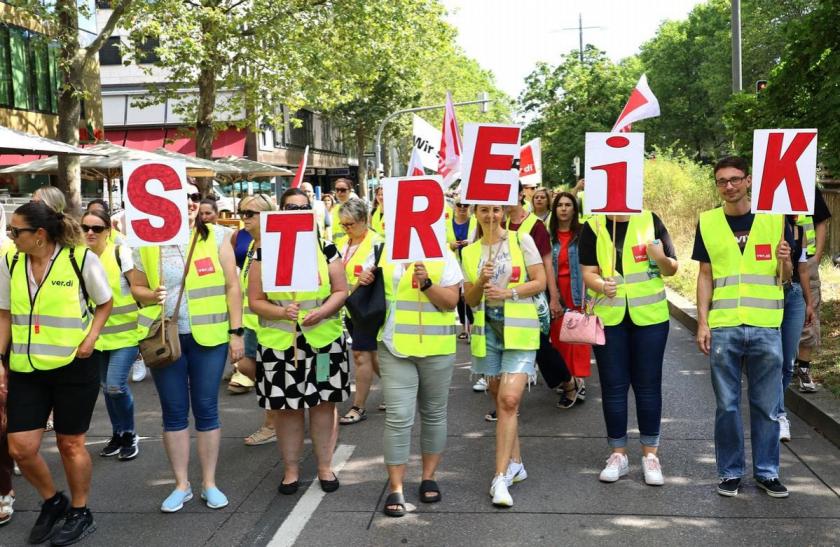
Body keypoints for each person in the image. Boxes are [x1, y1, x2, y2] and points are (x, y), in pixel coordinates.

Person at [1, 201, 113, 544]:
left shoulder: (80, 259)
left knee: (70, 443)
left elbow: (104, 302)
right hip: (26, 367)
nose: (10, 235)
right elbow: (4, 312)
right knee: (19, 447)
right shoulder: (11, 261)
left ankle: (80, 510)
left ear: (39, 234)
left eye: (15, 230)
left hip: (73, 365)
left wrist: (91, 338)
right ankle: (53, 501)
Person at [131, 183, 244, 512]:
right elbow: (137, 288)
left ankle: (209, 483)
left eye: (195, 197)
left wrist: (236, 332)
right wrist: (154, 295)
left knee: (207, 407)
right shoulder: (148, 243)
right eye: (185, 198)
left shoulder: (218, 236)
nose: (192, 203)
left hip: (208, 337)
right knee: (174, 411)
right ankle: (182, 484)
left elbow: (232, 286)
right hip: (166, 340)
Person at [694, 156, 793, 498]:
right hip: (724, 327)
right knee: (727, 406)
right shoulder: (707, 222)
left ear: (748, 180)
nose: (729, 186)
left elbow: (787, 278)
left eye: (735, 179)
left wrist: (786, 261)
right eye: (722, 181)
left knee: (767, 406)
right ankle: (730, 472)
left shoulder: (775, 220)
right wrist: (703, 322)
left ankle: (767, 472)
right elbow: (705, 275)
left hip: (766, 326)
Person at [248, 188, 349, 496]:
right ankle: (291, 470)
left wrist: (322, 311)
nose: (296, 213)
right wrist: (281, 310)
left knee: (321, 405)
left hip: (322, 345)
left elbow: (341, 290)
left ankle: (324, 466)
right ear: (279, 211)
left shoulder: (326, 248)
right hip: (280, 346)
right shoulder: (263, 254)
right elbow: (255, 300)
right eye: (290, 207)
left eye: (303, 208)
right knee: (287, 409)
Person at [355, 225, 461, 517]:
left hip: (437, 349)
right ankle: (396, 488)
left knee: (434, 414)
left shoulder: (443, 254)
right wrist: (364, 280)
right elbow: (366, 293)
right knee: (399, 417)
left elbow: (451, 302)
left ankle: (429, 477)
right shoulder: (382, 250)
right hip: (394, 347)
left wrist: (427, 283)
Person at [580, 204, 678, 486]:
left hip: (650, 319)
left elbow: (672, 268)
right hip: (610, 318)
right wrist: (600, 284)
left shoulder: (650, 219)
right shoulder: (594, 225)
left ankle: (650, 455)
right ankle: (618, 454)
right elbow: (588, 272)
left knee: (648, 385)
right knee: (613, 385)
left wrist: (659, 257)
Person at [463, 204, 545, 507]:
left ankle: (499, 478)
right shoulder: (470, 253)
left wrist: (509, 292)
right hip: (489, 336)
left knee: (509, 400)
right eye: (484, 210)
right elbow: (469, 299)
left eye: (496, 210)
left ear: (504, 212)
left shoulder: (521, 240)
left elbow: (540, 281)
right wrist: (483, 283)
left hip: (520, 331)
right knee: (499, 398)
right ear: (476, 214)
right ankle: (516, 464)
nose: (491, 216)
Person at [503, 184, 574, 411]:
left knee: (540, 345)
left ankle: (568, 382)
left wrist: (554, 298)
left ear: (521, 195)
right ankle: (504, 400)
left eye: (509, 193)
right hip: (502, 298)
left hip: (531, 296)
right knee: (503, 345)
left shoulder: (535, 226)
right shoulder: (497, 222)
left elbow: (547, 264)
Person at [81, 209, 142, 462]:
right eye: (85, 228)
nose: (90, 233)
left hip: (125, 335)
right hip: (96, 337)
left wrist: (155, 297)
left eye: (96, 228)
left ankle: (130, 433)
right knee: (107, 389)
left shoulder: (120, 252)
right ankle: (117, 434)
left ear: (108, 230)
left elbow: (139, 287)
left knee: (116, 385)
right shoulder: (78, 257)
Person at [232, 195, 278, 446]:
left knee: (266, 373)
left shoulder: (272, 244)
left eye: (250, 213)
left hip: (268, 322)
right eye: (242, 212)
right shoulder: (253, 244)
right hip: (252, 322)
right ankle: (279, 414)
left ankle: (272, 424)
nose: (244, 218)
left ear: (267, 215)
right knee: (250, 368)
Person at [337, 199, 384, 425]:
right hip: (350, 308)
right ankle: (397, 392)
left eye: (351, 224)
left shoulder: (377, 243)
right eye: (343, 225)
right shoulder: (342, 244)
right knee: (372, 355)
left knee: (360, 354)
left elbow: (369, 277)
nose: (346, 229)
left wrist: (345, 291)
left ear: (364, 220)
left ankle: (359, 406)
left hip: (367, 308)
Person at [548, 192, 592, 403]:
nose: (564, 208)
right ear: (554, 210)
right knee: (559, 339)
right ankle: (568, 378)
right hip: (556, 293)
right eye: (560, 205)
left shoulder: (584, 232)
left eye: (568, 205)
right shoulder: (549, 236)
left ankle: (579, 380)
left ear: (575, 209)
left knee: (578, 338)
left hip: (578, 292)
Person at [778, 215, 813, 442]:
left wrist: (809, 302)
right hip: (771, 295)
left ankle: (777, 410)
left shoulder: (800, 229)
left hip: (795, 296)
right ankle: (779, 414)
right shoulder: (764, 223)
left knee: (788, 361)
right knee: (772, 359)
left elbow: (803, 270)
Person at [795, 188, 831, 392]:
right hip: (777, 262)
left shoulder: (808, 187)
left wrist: (816, 257)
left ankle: (804, 368)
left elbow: (821, 222)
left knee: (810, 312)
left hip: (807, 261)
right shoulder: (770, 186)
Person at [446, 199, 477, 343]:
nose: (462, 208)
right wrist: (450, 245)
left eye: (466, 205)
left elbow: (479, 240)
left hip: (471, 263)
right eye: (459, 205)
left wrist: (469, 243)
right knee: (458, 296)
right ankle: (465, 328)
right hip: (453, 263)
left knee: (469, 293)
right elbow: (440, 243)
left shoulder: (475, 222)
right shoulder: (447, 223)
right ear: (454, 206)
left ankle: (471, 327)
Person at [330, 178, 355, 246]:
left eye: (343, 190)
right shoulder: (335, 208)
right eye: (337, 190)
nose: (339, 192)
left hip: (351, 246)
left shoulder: (355, 208)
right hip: (338, 247)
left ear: (350, 191)